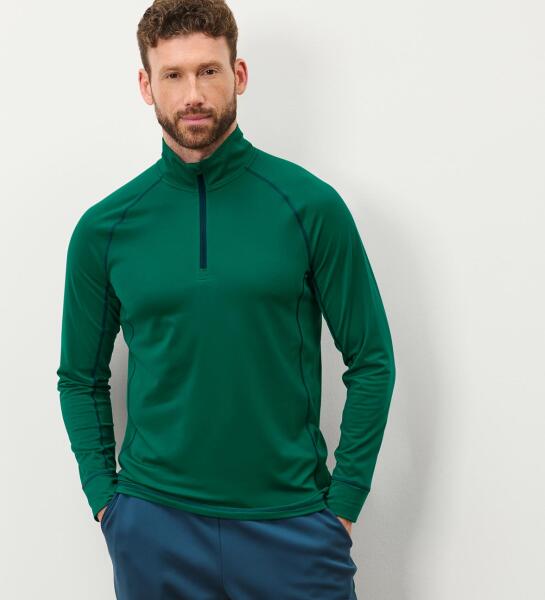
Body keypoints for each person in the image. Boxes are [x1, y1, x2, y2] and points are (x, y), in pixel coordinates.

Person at [56, 1, 396, 598]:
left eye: (208, 71)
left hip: (292, 526)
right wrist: (107, 503)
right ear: (146, 85)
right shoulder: (105, 229)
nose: (193, 94)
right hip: (155, 528)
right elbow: (79, 378)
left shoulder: (309, 206)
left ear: (238, 74)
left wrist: (343, 504)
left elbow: (371, 360)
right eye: (173, 74)